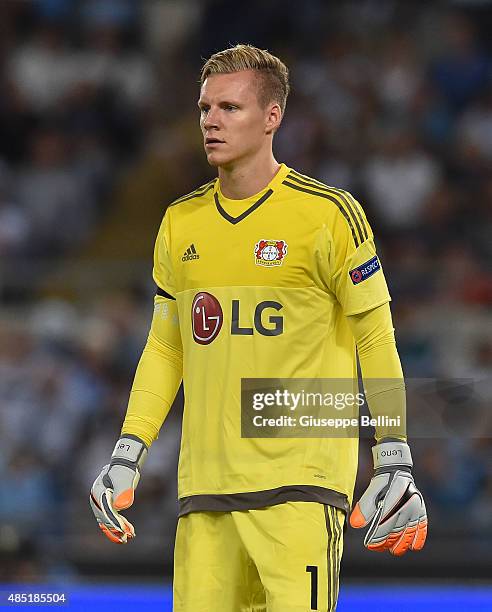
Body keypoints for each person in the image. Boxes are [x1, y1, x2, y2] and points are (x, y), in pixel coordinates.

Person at [90, 44, 427, 612]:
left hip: (299, 486)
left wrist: (393, 452)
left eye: (230, 107)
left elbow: (376, 337)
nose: (211, 121)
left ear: (273, 117)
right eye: (204, 109)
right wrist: (128, 451)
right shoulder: (179, 223)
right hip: (204, 492)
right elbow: (165, 347)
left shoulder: (328, 214)